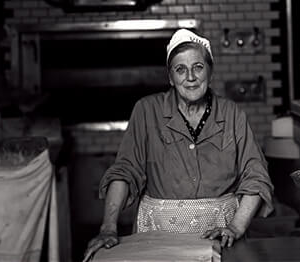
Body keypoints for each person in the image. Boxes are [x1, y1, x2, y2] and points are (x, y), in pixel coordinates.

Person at [82, 29, 273, 262]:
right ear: (170, 78)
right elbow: (125, 170)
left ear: (210, 72)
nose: (190, 77)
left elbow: (256, 175)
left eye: (198, 67)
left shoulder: (232, 114)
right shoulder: (147, 111)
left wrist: (236, 227)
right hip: (158, 235)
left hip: (222, 234)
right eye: (180, 69)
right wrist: (108, 227)